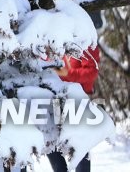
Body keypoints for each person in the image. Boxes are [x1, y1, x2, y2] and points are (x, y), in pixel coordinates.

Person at [47, 10, 103, 172]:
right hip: (54, 100)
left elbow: (91, 72)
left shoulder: (87, 45)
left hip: (78, 101)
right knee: (53, 147)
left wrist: (67, 74)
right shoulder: (58, 41)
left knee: (78, 146)